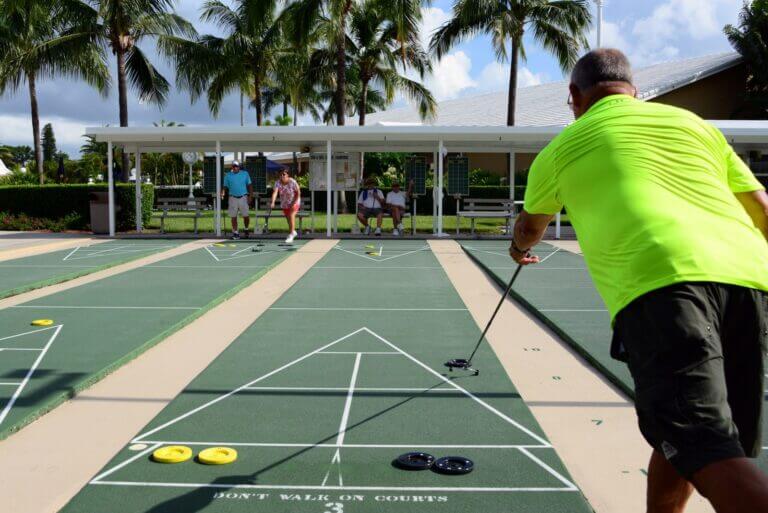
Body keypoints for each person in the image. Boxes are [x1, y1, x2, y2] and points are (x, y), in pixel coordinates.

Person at [510, 48, 768, 513]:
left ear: (574, 95)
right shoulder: (695, 125)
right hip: (750, 282)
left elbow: (531, 226)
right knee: (693, 436)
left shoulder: (563, 147)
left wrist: (519, 249)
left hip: (664, 286)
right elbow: (762, 207)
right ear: (634, 88)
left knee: (705, 447)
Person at [221, 160, 252, 240]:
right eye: (233, 166)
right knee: (233, 216)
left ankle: (246, 229)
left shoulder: (245, 174)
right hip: (232, 198)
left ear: (239, 167)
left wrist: (250, 196)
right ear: (232, 167)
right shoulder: (228, 175)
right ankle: (236, 233)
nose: (235, 168)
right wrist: (223, 192)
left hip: (243, 197)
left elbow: (249, 185)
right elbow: (225, 186)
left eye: (236, 166)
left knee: (246, 216)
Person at [270, 169, 301, 244]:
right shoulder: (277, 183)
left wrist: (293, 203)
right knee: (288, 219)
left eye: (284, 174)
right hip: (285, 202)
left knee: (291, 215)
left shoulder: (292, 181)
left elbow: (298, 193)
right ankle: (293, 231)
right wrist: (273, 202)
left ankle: (291, 235)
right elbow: (275, 192)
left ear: (288, 175)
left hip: (294, 200)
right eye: (280, 174)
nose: (282, 176)